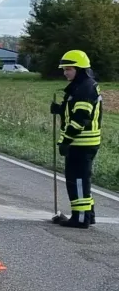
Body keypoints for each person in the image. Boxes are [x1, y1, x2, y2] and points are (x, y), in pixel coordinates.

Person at [51, 50, 104, 228]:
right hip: (83, 143)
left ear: (80, 69)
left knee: (78, 181)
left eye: (69, 69)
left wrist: (66, 140)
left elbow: (81, 118)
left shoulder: (84, 88)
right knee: (81, 180)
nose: (65, 73)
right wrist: (60, 109)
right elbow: (74, 111)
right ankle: (88, 215)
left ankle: (80, 219)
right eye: (64, 69)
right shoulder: (81, 85)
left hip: (81, 143)